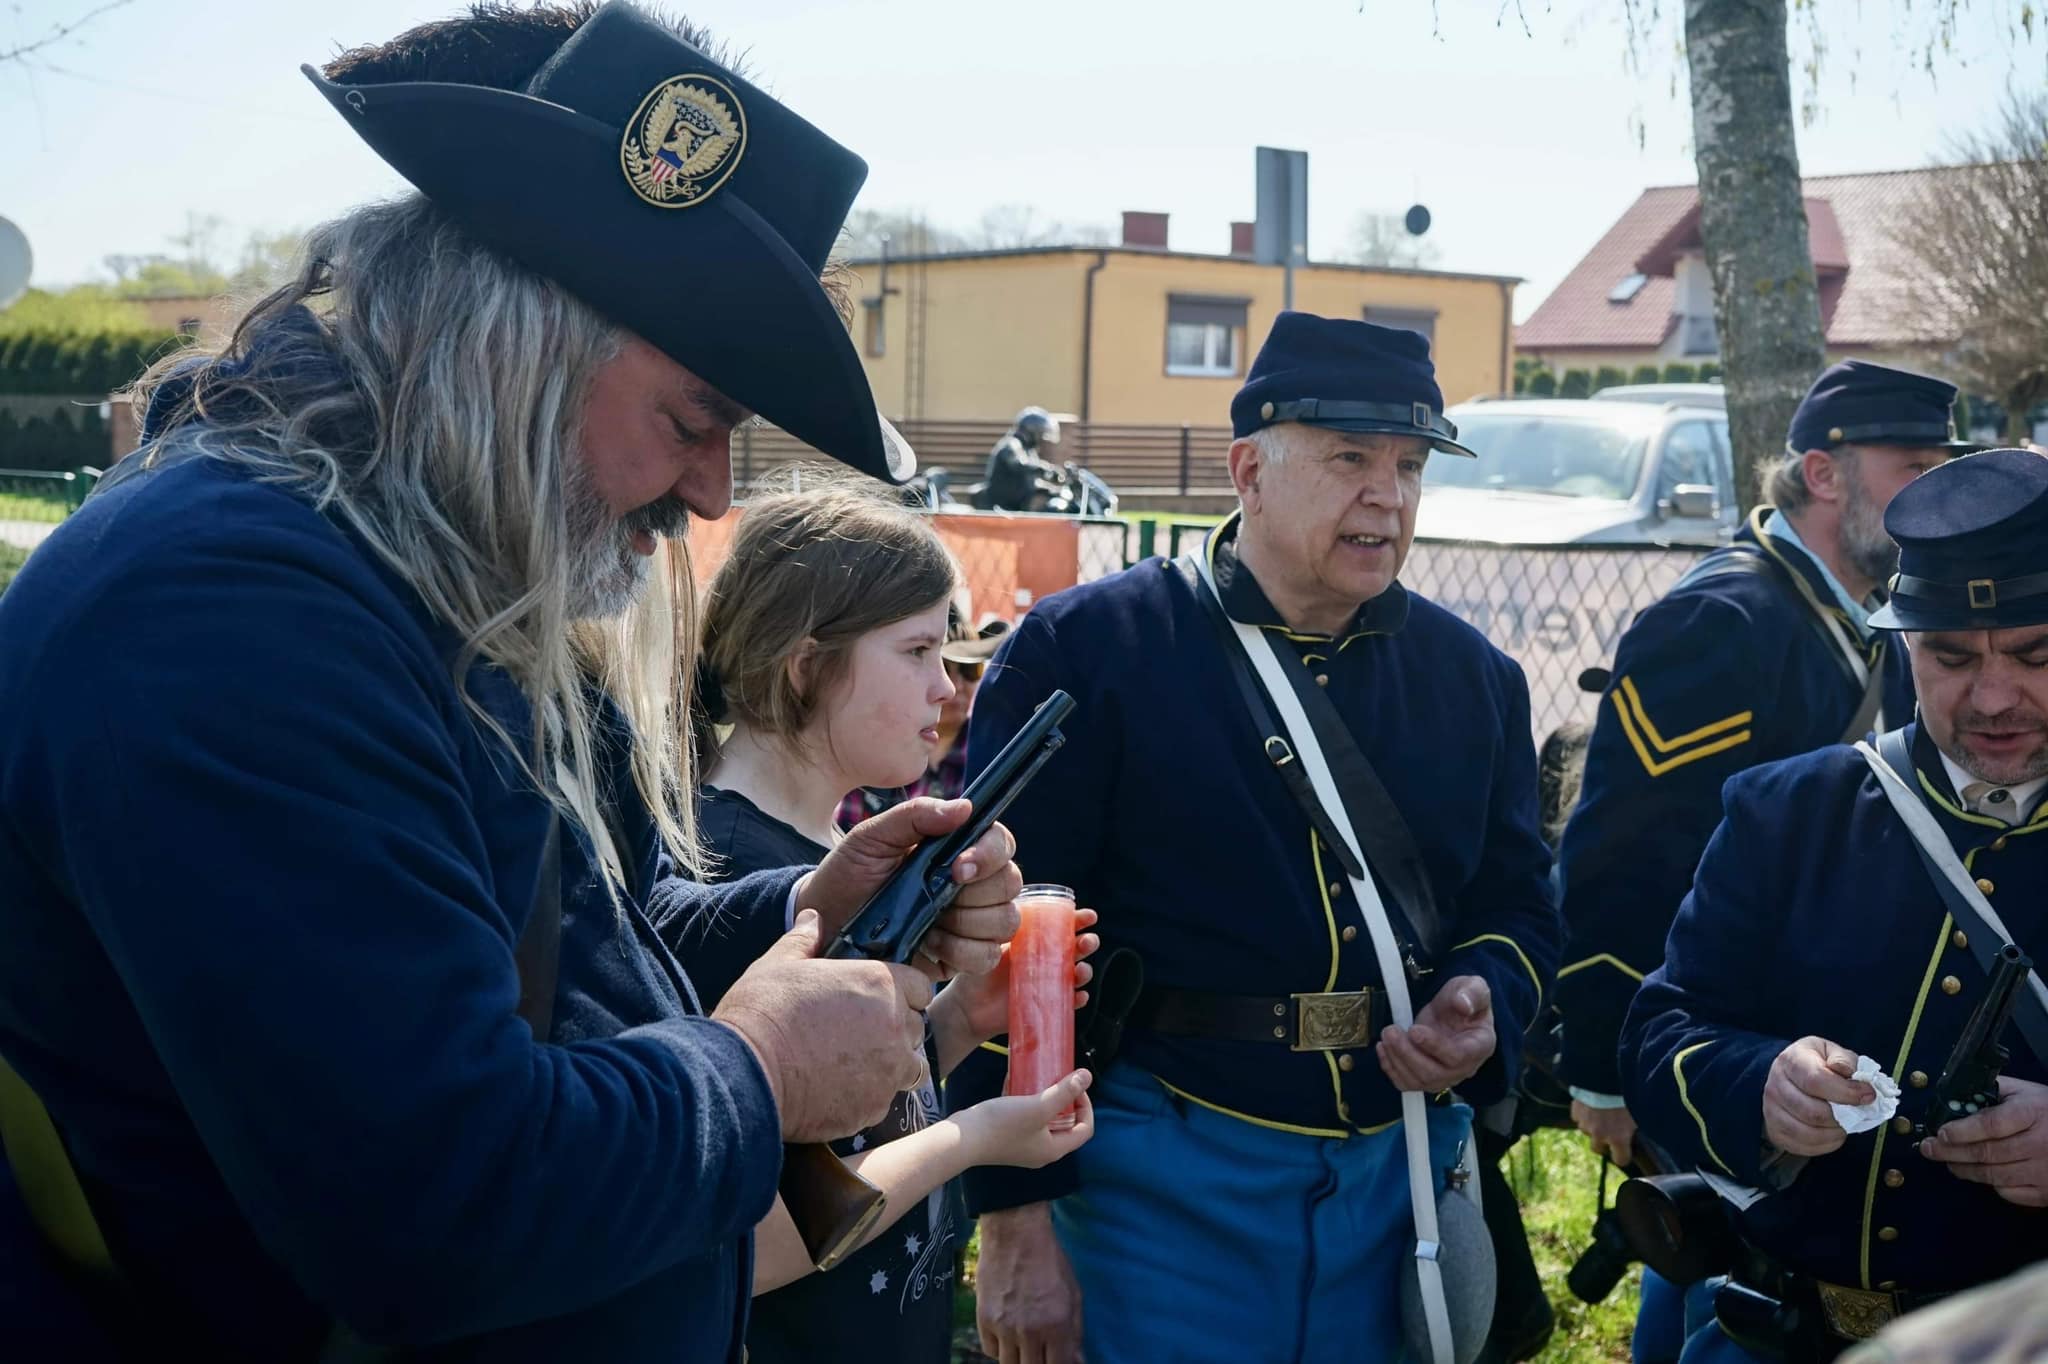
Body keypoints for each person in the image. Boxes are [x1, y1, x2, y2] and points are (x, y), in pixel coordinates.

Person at [0, 7, 1024, 1361]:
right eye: (690, 421)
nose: (713, 493)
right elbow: (434, 1196)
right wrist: (762, 1071)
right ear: (517, 349)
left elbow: (566, 940)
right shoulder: (229, 617)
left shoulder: (425, 568)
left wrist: (809, 907)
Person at [953, 312, 1562, 1363]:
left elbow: (1516, 900)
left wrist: (1482, 995)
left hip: (1401, 1167)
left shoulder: (1475, 679)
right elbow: (1009, 943)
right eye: (1348, 457)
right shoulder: (1090, 650)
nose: (1388, 493)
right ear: (1247, 470)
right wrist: (1016, 1213)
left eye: (1410, 464)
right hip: (1160, 1176)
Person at [1556, 361, 1972, 1362]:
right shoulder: (1724, 620)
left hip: (1810, 1065)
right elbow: (1625, 857)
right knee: (1710, 1273)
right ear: (1824, 476)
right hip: (1715, 1040)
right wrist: (1607, 1070)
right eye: (1909, 466)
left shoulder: (1860, 611)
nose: (1930, 493)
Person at [1622, 447, 2048, 1363]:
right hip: (1776, 1331)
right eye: (1950, 656)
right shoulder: (1787, 810)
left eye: (2035, 653)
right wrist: (1760, 1084)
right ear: (1904, 647)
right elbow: (1664, 1030)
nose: (1994, 696)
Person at [663, 487, 1095, 1363]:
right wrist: (975, 1138)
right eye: (918, 649)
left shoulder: (827, 843)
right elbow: (759, 1242)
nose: (948, 684)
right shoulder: (727, 876)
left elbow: (837, 1112)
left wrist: (965, 1017)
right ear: (806, 664)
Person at [839, 616, 1009, 828]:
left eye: (970, 671)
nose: (955, 686)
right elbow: (844, 842)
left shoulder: (995, 752)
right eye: (945, 668)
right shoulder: (877, 752)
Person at [978, 406, 1065, 512]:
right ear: (1032, 431)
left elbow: (1029, 483)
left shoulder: (1028, 450)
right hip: (1001, 511)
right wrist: (1045, 469)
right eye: (1040, 434)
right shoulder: (1011, 444)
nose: (1041, 438)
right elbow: (1019, 464)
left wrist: (1053, 490)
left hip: (1015, 511)